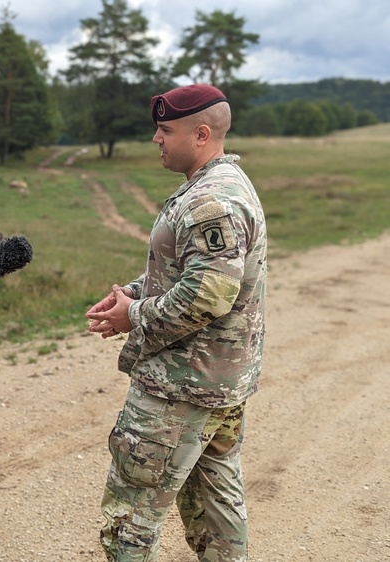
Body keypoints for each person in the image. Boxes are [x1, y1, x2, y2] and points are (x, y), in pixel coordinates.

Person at [84, 84, 267, 561]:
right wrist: (136, 292)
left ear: (201, 133)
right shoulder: (216, 186)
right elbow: (189, 273)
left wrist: (133, 316)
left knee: (130, 520)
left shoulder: (213, 201)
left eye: (165, 130)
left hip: (181, 389)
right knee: (216, 511)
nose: (156, 139)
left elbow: (208, 295)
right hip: (214, 385)